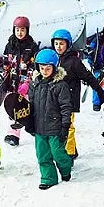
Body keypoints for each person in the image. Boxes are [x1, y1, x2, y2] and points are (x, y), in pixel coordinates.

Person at [51, 29, 104, 162]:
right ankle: (73, 149)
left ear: (68, 44)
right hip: (55, 100)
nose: (59, 47)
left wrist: (98, 90)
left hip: (69, 100)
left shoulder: (74, 61)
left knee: (67, 126)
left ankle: (69, 153)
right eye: (56, 43)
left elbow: (87, 76)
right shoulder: (52, 59)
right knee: (58, 126)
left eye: (62, 43)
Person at [27, 49, 72, 190]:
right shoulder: (35, 85)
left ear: (54, 67)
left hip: (55, 128)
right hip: (39, 128)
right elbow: (31, 105)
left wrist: (65, 126)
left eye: (48, 68)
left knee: (58, 153)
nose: (45, 71)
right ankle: (48, 178)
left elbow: (66, 107)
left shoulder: (60, 85)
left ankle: (66, 169)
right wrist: (28, 122)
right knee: (43, 155)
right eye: (42, 68)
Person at [1, 16, 39, 146]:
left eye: (22, 30)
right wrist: (4, 78)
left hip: (26, 84)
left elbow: (35, 67)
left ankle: (34, 126)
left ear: (27, 30)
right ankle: (13, 134)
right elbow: (6, 62)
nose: (20, 32)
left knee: (28, 108)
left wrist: (28, 83)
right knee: (13, 107)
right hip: (12, 83)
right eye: (17, 29)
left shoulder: (32, 47)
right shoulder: (10, 44)